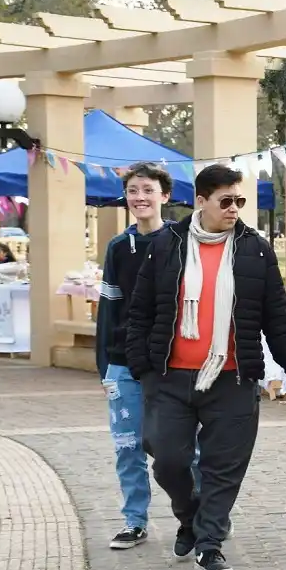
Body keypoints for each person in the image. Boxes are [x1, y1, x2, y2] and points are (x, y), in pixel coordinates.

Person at [126, 164, 286, 570]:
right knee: (168, 461)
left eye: (240, 201)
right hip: (170, 378)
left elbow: (278, 322)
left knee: (222, 468)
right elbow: (138, 314)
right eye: (225, 201)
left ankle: (209, 544)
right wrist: (143, 370)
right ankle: (189, 516)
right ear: (200, 201)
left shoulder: (256, 250)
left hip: (232, 378)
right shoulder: (165, 245)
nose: (234, 209)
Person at [97, 163, 204, 550]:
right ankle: (134, 520)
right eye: (132, 191)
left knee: (180, 449)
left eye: (147, 190)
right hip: (123, 364)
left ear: (165, 195)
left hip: (171, 364)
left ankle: (200, 517)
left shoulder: (182, 241)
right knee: (128, 446)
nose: (139, 197)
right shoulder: (117, 248)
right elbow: (109, 310)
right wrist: (104, 368)